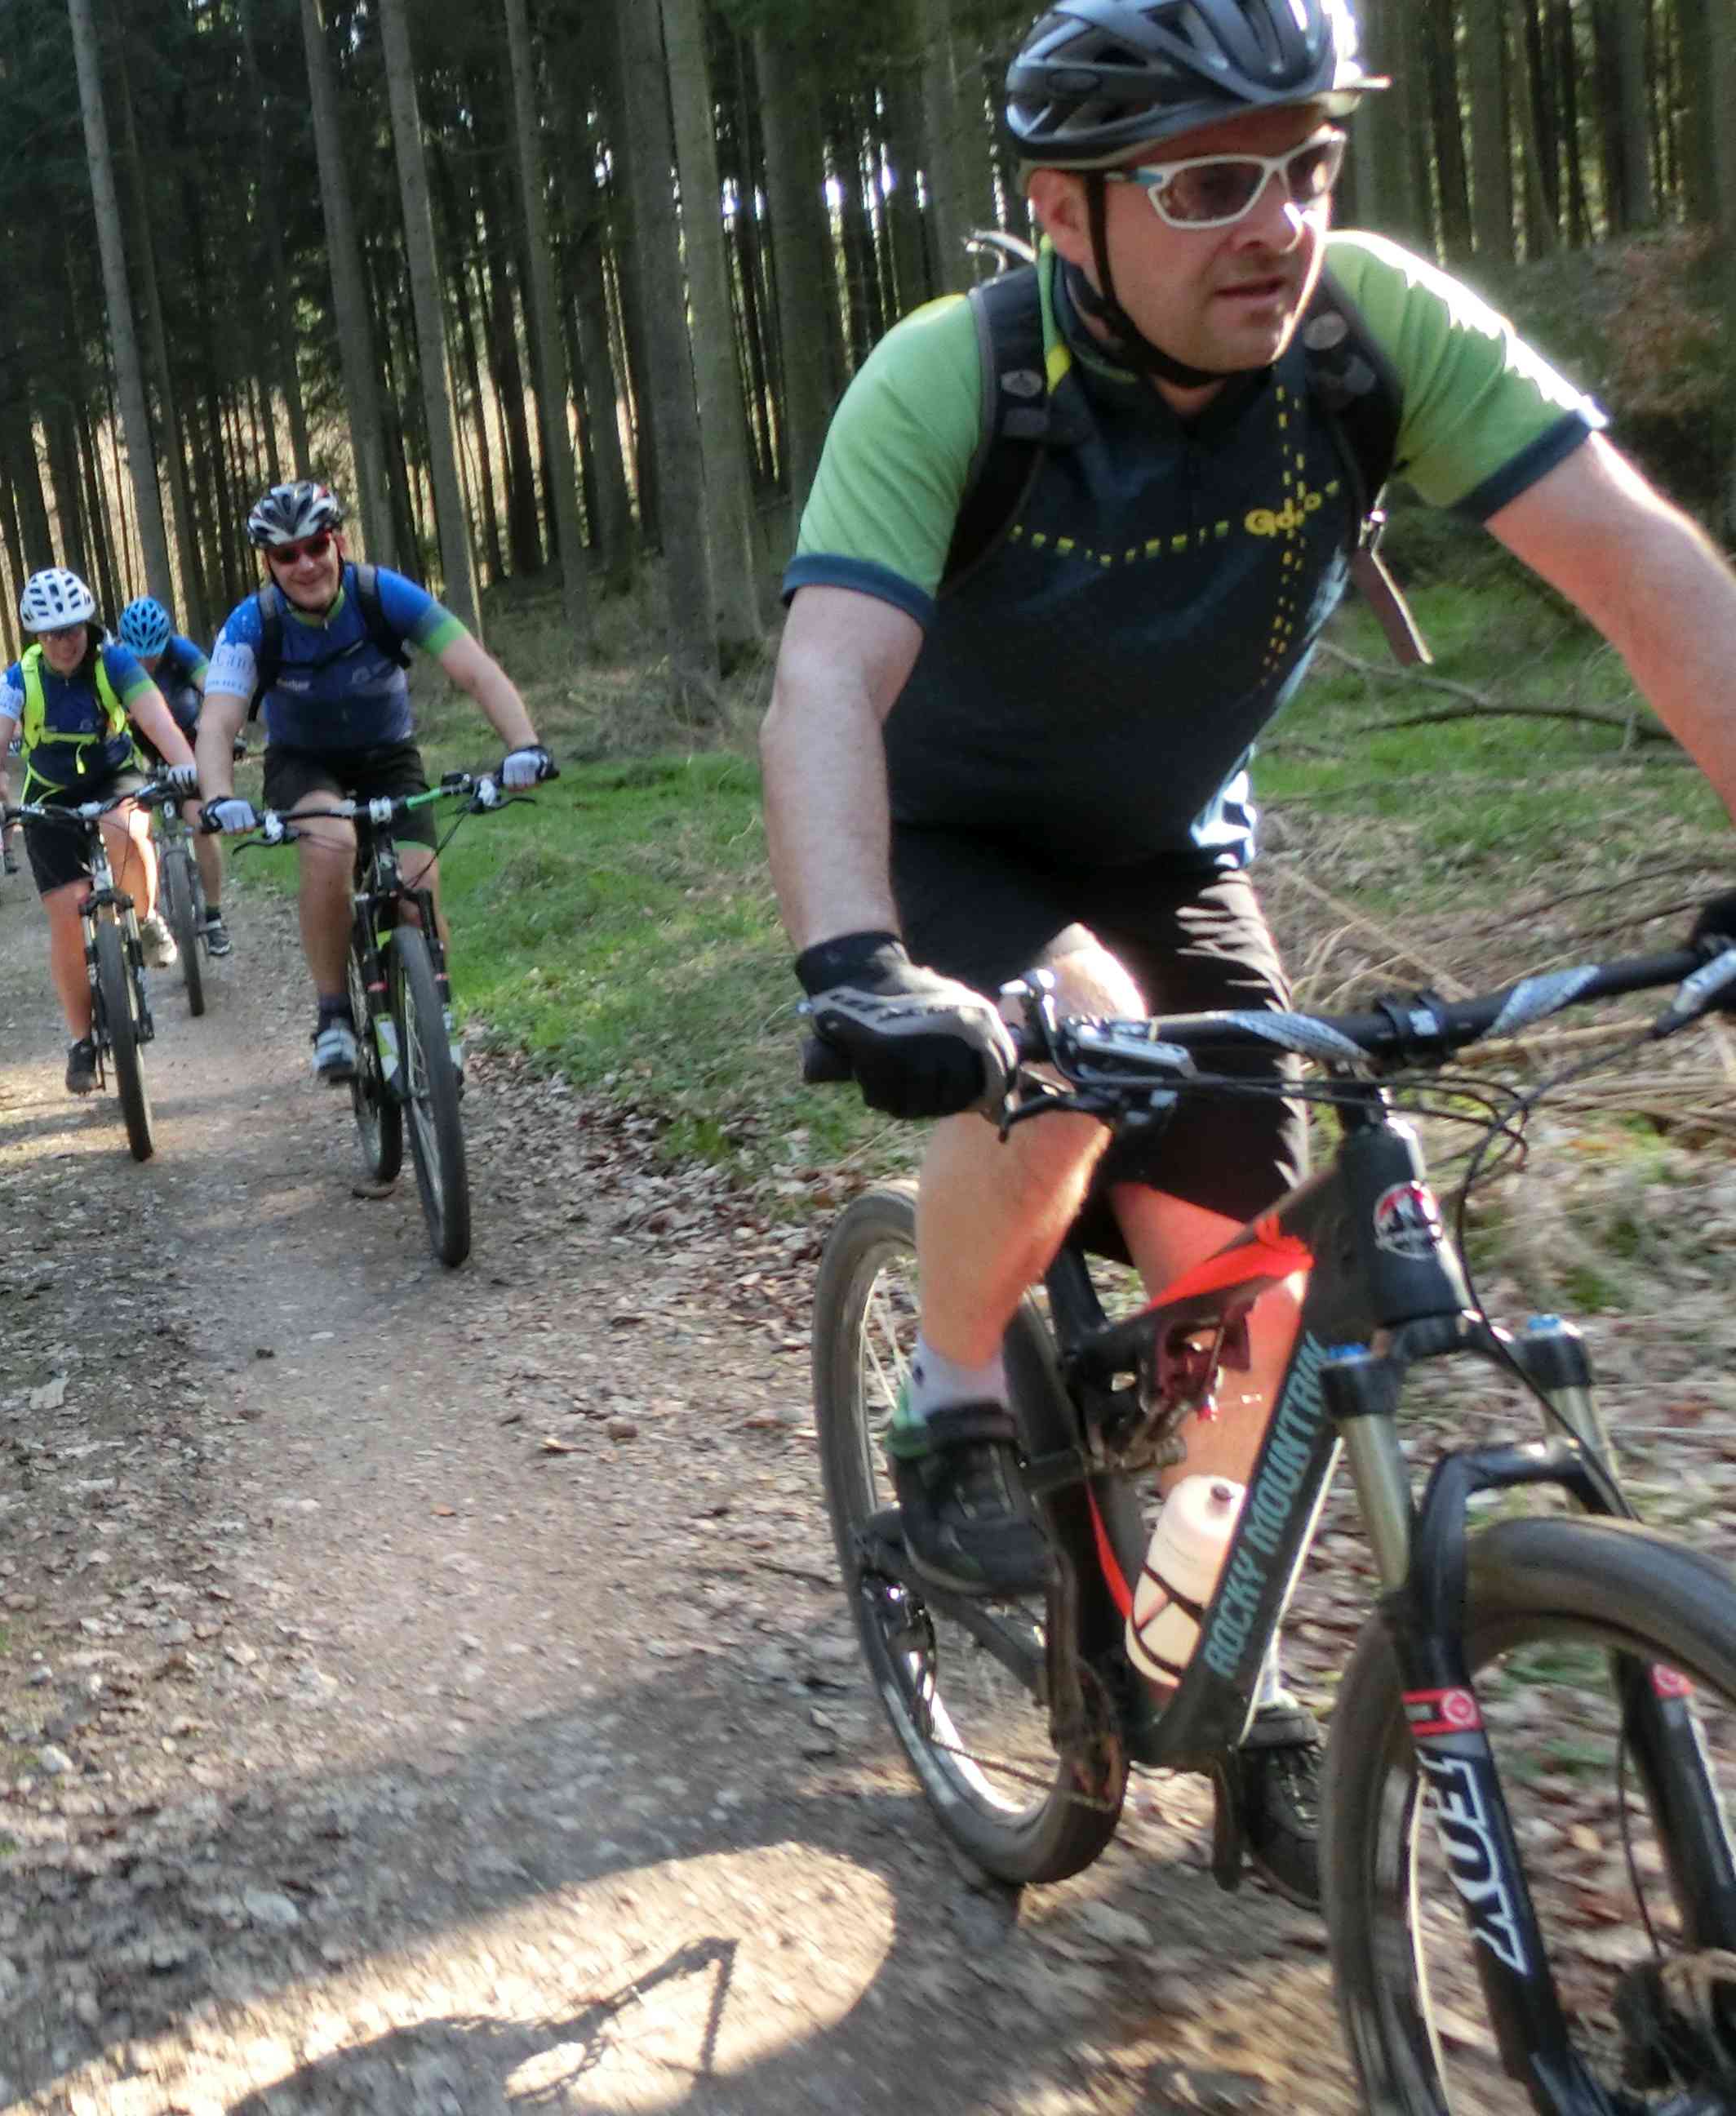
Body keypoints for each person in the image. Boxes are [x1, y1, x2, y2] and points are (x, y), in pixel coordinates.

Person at [765, 0, 1736, 1905]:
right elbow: (822, 682)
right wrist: (857, 961)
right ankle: (952, 1394)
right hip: (944, 836)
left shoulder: (1373, 337)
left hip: (1167, 840)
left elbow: (1643, 569)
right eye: (1209, 183)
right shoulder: (954, 377)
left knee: (1252, 1290)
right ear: (1066, 209)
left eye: (1306, 166)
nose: (1278, 222)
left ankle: (1213, 1661)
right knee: (1070, 1044)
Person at [196, 481, 555, 1082]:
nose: (305, 564)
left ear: (337, 542)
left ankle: (438, 1019)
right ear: (269, 564)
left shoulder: (383, 594)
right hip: (304, 763)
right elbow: (218, 722)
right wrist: (218, 797)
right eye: (286, 555)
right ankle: (334, 1014)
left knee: (418, 885)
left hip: (389, 756)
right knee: (332, 843)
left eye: (316, 546)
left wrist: (525, 746)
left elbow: (475, 669)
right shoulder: (251, 623)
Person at [0, 568, 200, 1095]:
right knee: (68, 917)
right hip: (50, 791)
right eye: (51, 634)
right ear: (35, 635)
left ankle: (146, 917)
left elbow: (156, 718)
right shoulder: (18, 679)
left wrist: (186, 766)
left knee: (127, 829)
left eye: (72, 630)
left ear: (87, 625)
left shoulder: (114, 662)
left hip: (114, 774)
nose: (64, 642)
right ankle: (81, 1041)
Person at [115, 595, 229, 958]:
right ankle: (146, 914)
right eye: (139, 655)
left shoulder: (182, 652)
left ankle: (214, 915)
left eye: (154, 654)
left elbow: (213, 687)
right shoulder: (114, 661)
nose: (147, 663)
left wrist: (223, 729)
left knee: (202, 823)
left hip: (188, 747)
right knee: (131, 831)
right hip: (140, 754)